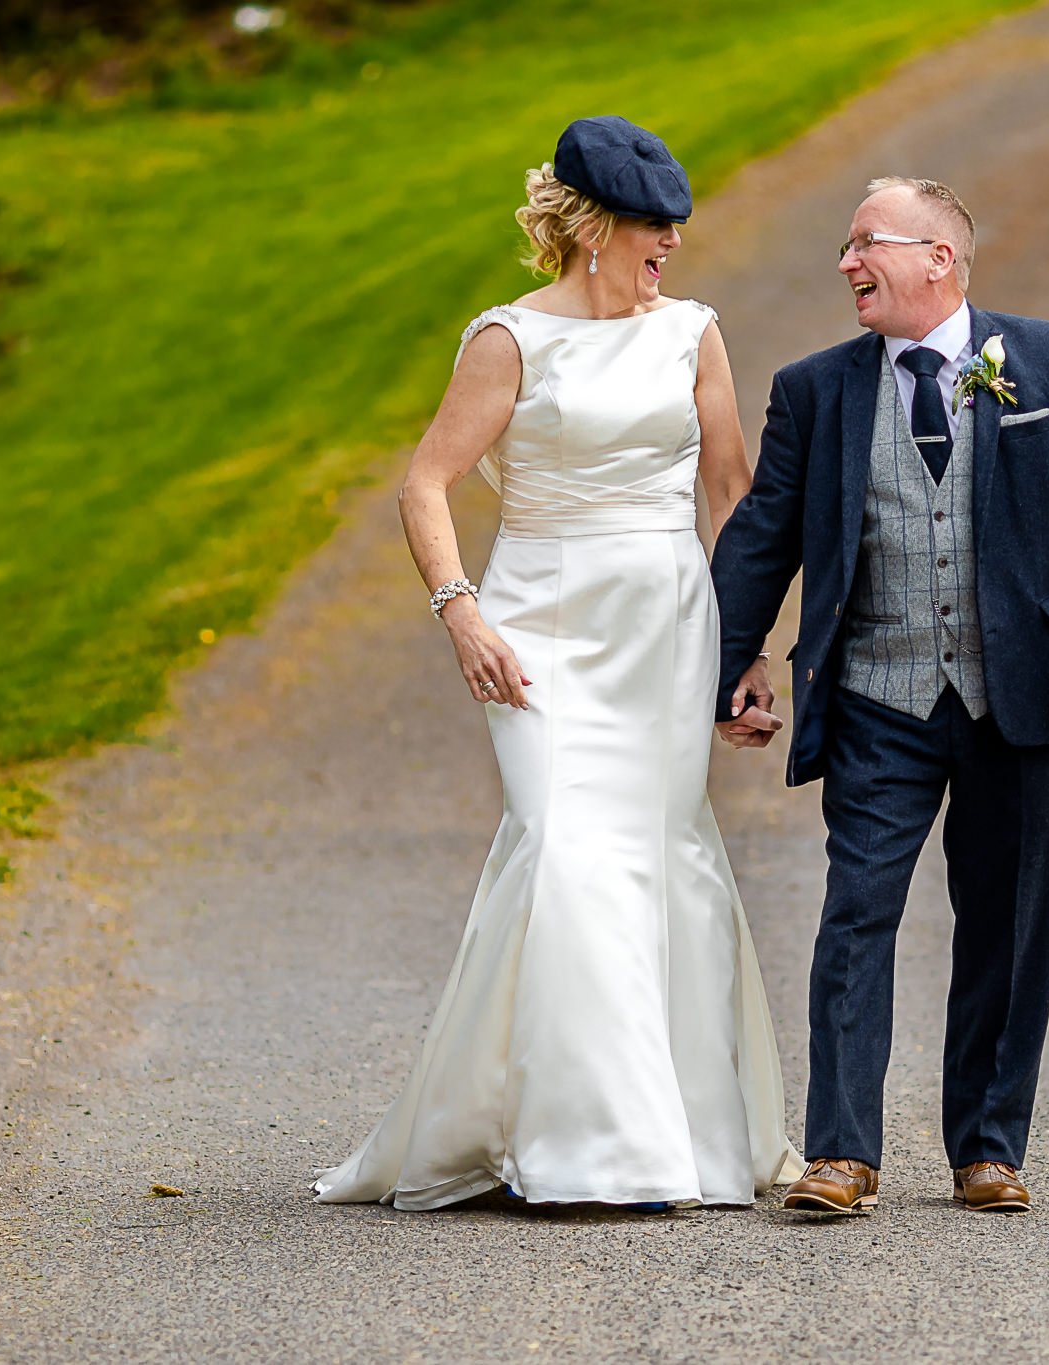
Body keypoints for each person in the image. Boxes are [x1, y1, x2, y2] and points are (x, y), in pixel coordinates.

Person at [313, 117, 803, 1211]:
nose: (669, 246)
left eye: (675, 229)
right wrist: (462, 613)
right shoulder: (508, 341)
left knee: (658, 851)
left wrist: (749, 649)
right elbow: (423, 486)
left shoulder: (692, 333)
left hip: (665, 625)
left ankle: (669, 1133)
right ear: (592, 229)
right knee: (562, 843)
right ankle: (594, 1150)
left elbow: (731, 496)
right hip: (538, 624)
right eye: (651, 229)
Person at [711, 176, 1049, 1216]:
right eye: (843, 248)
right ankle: (840, 1152)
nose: (844, 265)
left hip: (1021, 697)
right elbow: (762, 537)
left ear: (939, 260)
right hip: (878, 695)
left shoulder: (1047, 361)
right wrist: (725, 667)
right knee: (854, 914)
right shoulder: (815, 389)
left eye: (863, 244)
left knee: (1007, 926)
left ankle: (986, 1147)